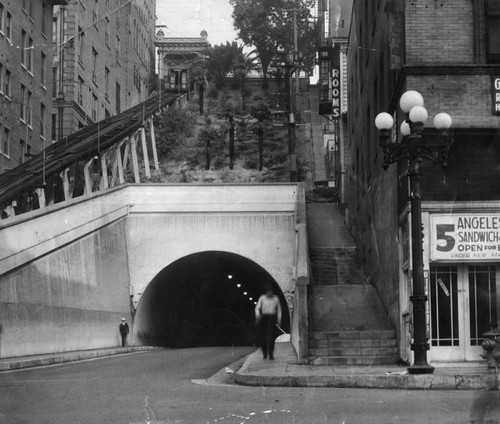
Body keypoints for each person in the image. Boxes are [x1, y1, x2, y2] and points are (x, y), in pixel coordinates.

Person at [255, 286, 282, 360]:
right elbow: (257, 308)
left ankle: (271, 354)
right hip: (264, 317)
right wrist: (258, 315)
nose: (270, 293)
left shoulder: (276, 298)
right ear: (266, 292)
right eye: (268, 292)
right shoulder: (262, 298)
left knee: (271, 336)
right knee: (263, 336)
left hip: (272, 318)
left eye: (271, 292)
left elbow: (279, 310)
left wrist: (279, 319)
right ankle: (264, 353)